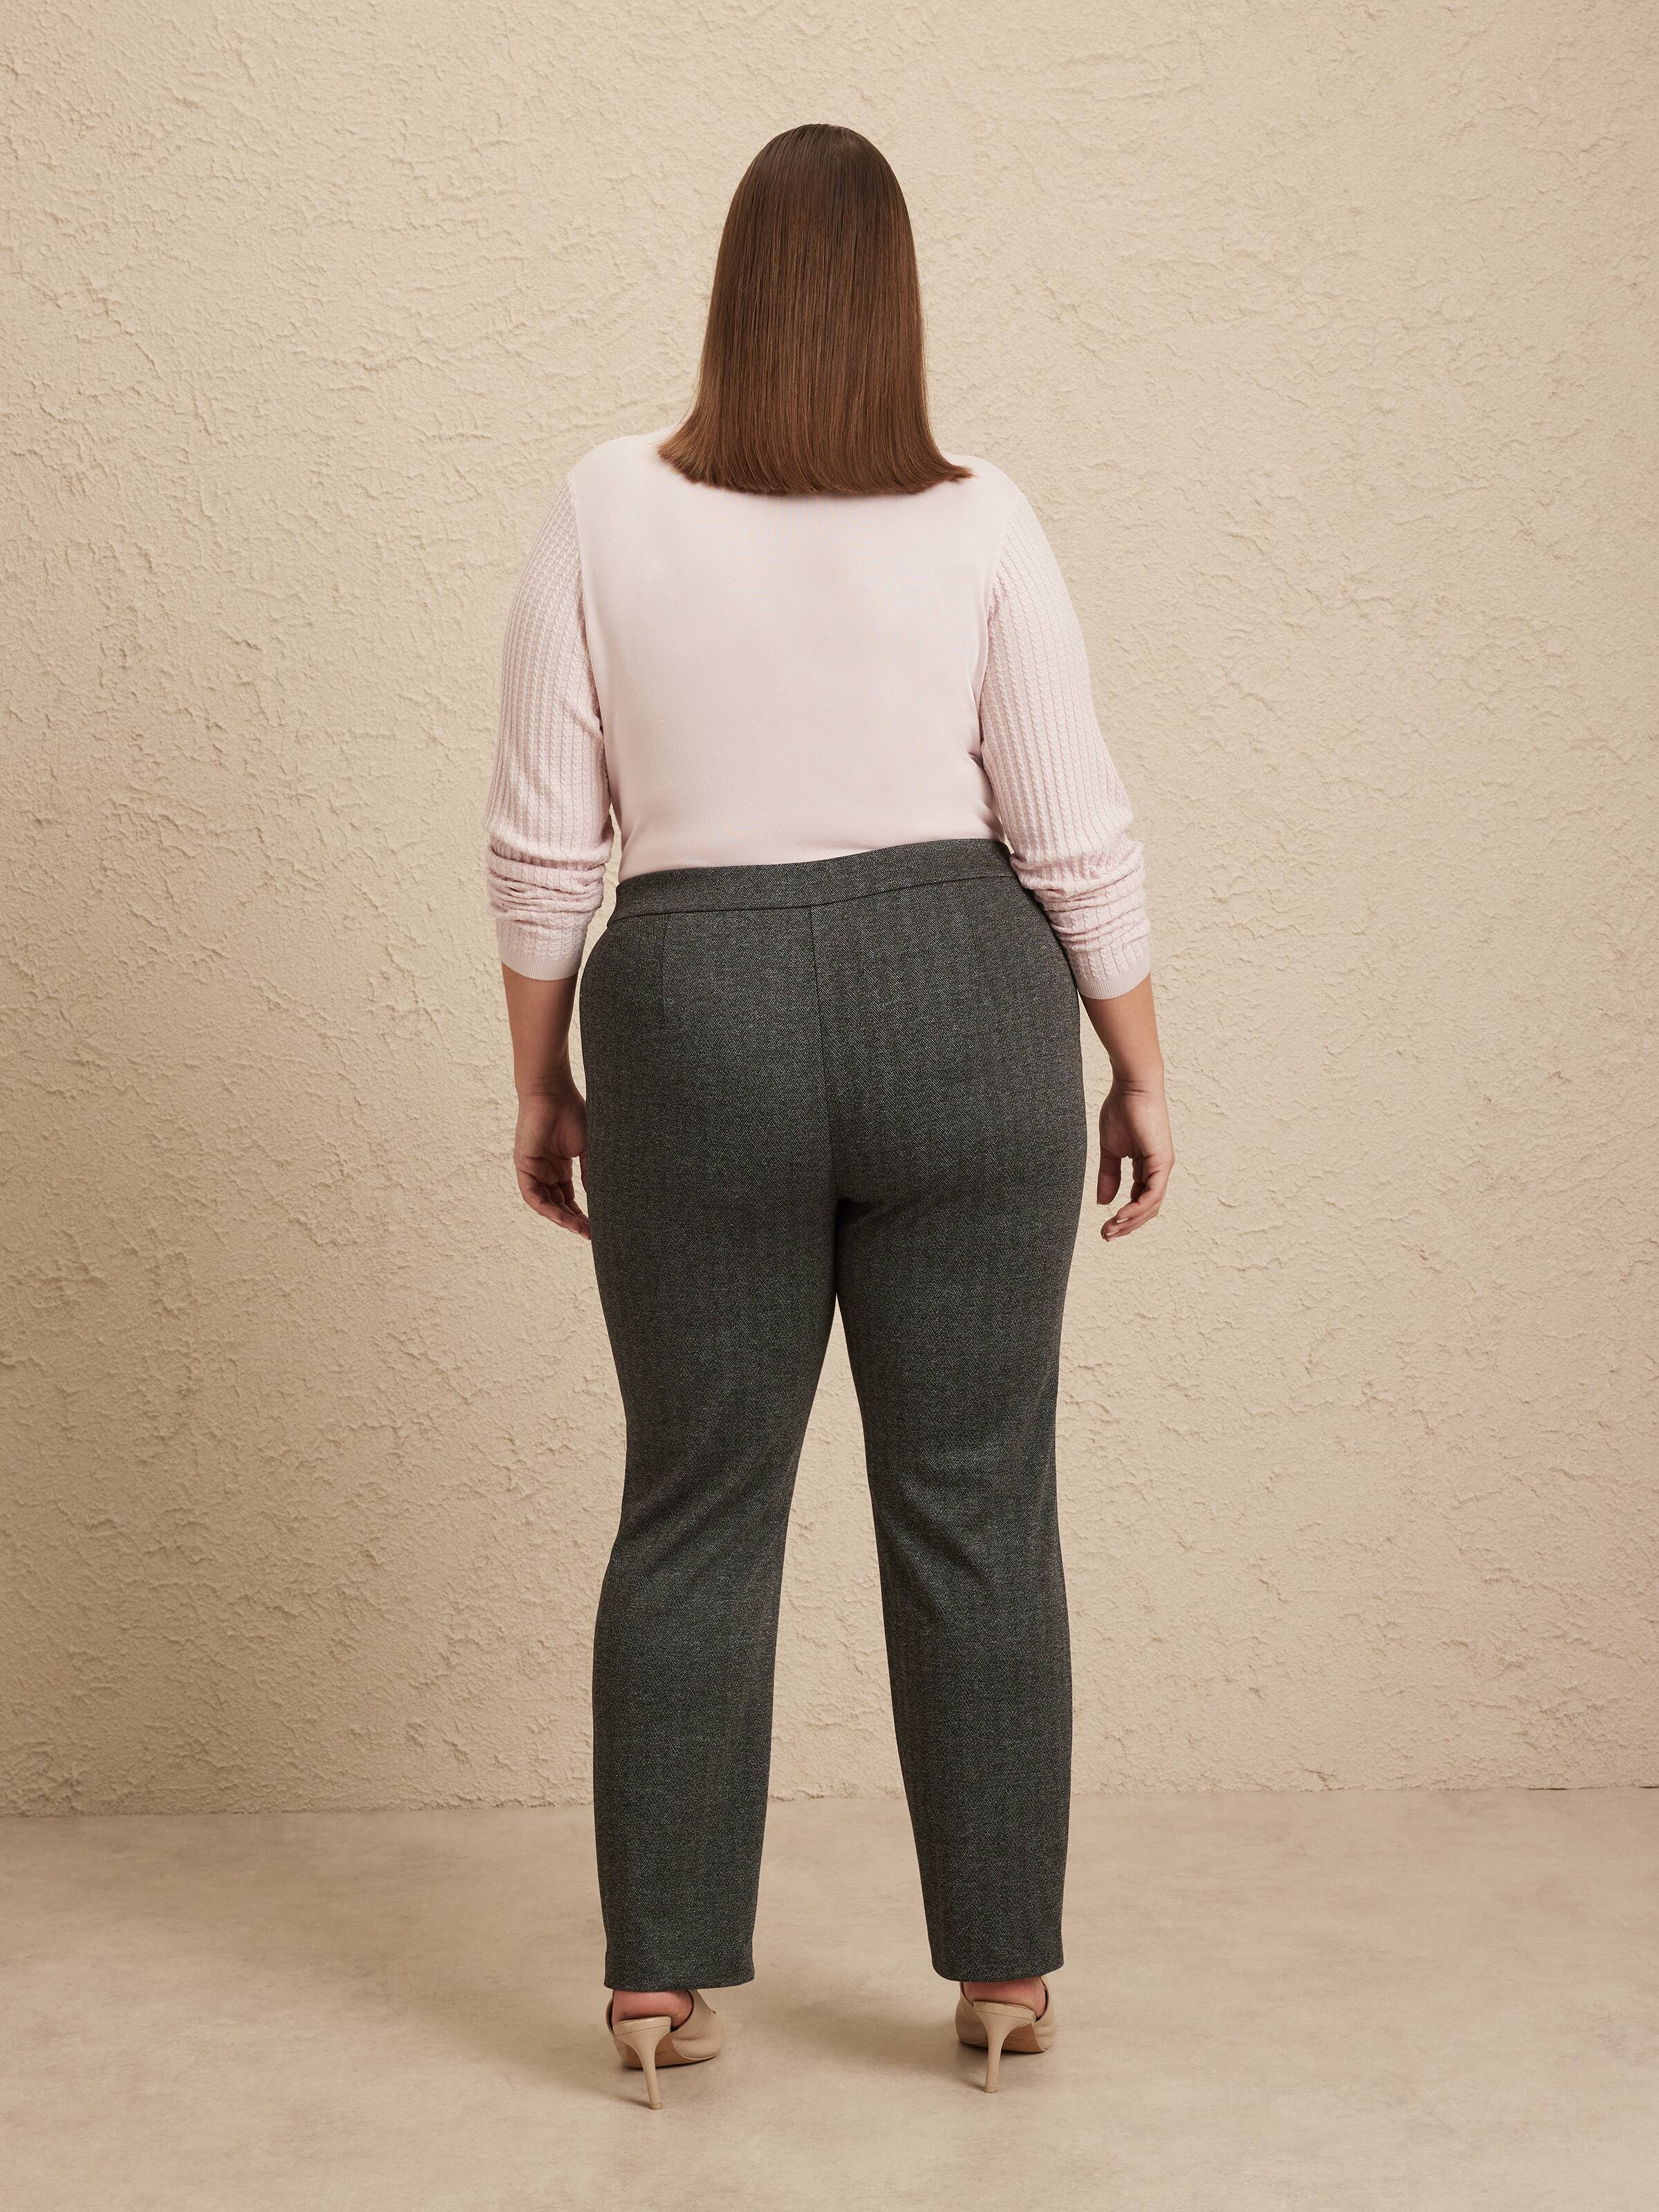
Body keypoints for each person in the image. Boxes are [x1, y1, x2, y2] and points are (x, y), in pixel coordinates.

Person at [482, 122, 1174, 2107]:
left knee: (697, 1500)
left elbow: (545, 839)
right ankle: (1004, 1977)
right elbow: (1070, 822)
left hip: (694, 1013)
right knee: (976, 1496)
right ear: (898, 307)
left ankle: (655, 1988)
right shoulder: (982, 517)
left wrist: (540, 1073)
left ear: (733, 290)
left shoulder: (603, 505)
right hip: (968, 1001)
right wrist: (1138, 1059)